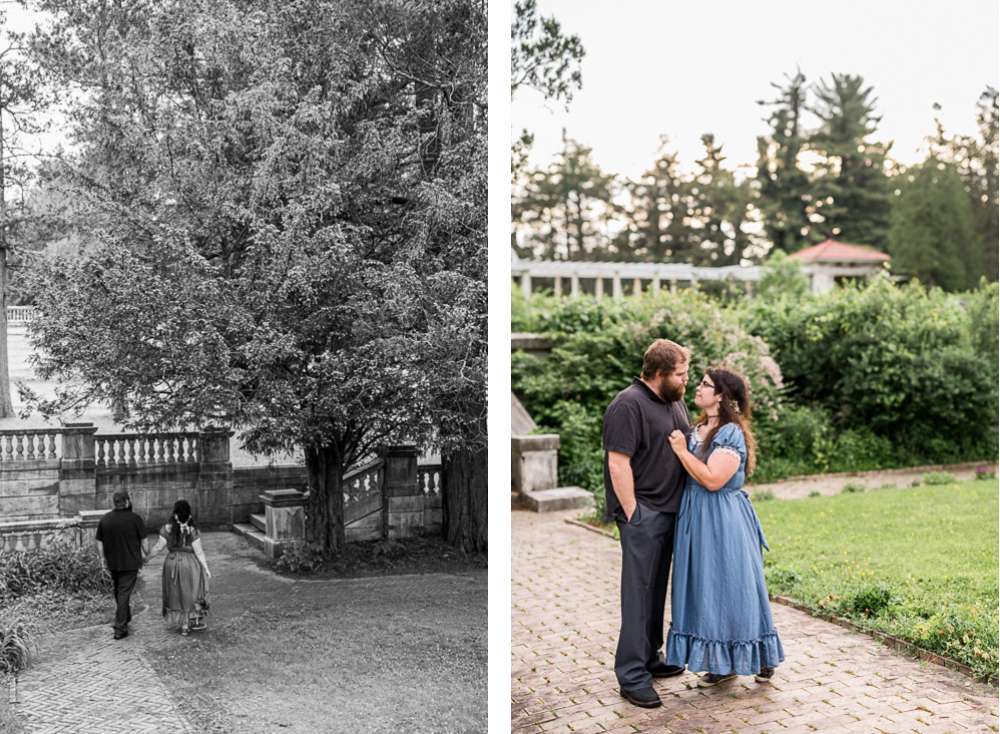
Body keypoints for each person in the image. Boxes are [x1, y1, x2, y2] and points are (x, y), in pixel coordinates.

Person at [665, 366, 784, 686]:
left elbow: (713, 479)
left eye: (705, 384)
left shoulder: (730, 432)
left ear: (721, 396)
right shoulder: (698, 428)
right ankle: (720, 662)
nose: (697, 387)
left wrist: (679, 451)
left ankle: (758, 656)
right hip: (695, 516)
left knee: (733, 587)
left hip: (722, 518)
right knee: (705, 589)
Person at [603, 338, 692, 709]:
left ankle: (650, 657)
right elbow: (617, 463)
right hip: (645, 514)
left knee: (656, 591)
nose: (687, 380)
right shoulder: (628, 404)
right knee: (638, 594)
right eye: (681, 374)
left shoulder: (674, 400)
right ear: (659, 374)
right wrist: (634, 513)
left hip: (672, 511)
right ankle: (631, 674)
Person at [144, 500, 211, 636]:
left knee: (176, 593)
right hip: (190, 565)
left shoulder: (166, 529)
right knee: (190, 592)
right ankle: (188, 624)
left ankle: (182, 623)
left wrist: (145, 559)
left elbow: (157, 548)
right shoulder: (193, 532)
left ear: (174, 514)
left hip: (171, 564)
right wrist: (206, 568)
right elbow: (199, 552)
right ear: (189, 515)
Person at [95, 490, 148, 640]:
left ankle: (125, 616)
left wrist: (102, 558)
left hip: (113, 562)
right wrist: (146, 554)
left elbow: (99, 541)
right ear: (126, 502)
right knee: (123, 592)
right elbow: (144, 541)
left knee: (119, 591)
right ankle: (120, 628)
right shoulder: (135, 519)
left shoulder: (105, 519)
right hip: (130, 562)